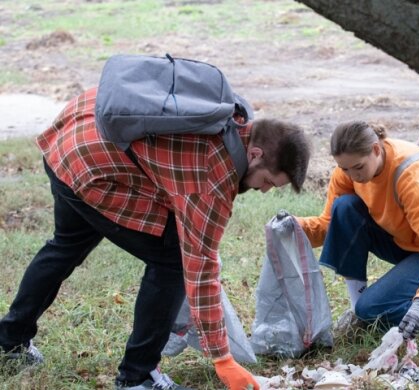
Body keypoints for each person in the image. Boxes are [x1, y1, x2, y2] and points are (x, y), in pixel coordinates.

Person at [0, 87, 311, 390]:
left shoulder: (235, 116)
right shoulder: (213, 177)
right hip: (91, 162)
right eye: (268, 180)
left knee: (67, 245)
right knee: (173, 260)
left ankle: (9, 341)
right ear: (255, 155)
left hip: (77, 130)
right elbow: (200, 269)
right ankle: (137, 377)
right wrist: (223, 358)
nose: (264, 190)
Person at [296, 120, 419, 340]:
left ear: (376, 149)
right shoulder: (349, 170)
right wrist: (296, 228)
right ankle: (358, 314)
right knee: (344, 208)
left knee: (374, 310)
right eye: (344, 168)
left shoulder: (409, 175)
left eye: (359, 167)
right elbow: (331, 225)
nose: (352, 176)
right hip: (402, 241)